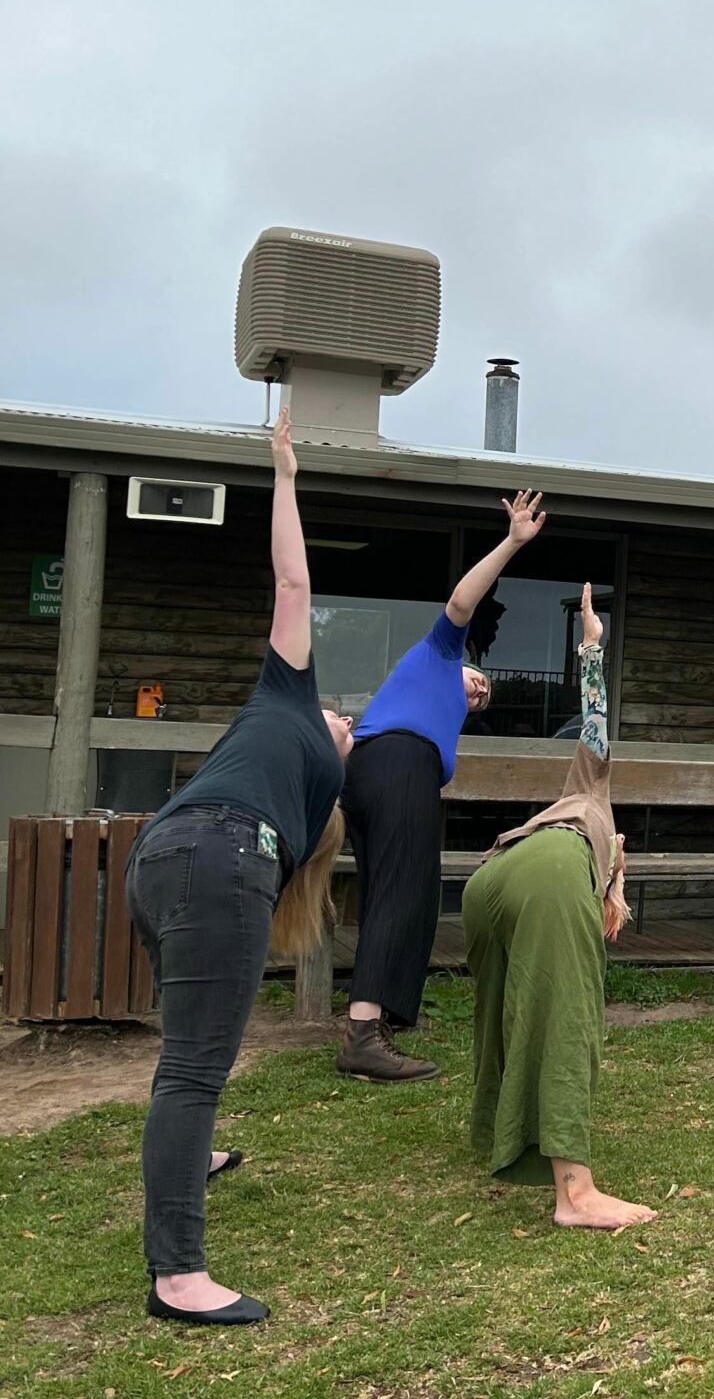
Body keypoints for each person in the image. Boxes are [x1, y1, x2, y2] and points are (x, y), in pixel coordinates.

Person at [126, 405, 353, 1323]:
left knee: (188, 1054)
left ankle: (196, 1150)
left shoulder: (315, 794)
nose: (348, 720)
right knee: (192, 1070)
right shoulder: (286, 691)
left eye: (351, 731)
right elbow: (292, 581)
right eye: (348, 715)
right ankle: (178, 1276)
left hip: (166, 854)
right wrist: (286, 472)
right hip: (215, 854)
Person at [336, 492, 548, 1082]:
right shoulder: (437, 653)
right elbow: (461, 601)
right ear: (465, 663)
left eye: (483, 700)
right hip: (397, 764)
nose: (479, 693)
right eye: (479, 683)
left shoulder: (441, 710)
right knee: (404, 888)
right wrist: (513, 541)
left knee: (404, 889)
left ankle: (386, 1016)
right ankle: (361, 1036)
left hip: (385, 772)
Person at [461, 583, 655, 1227]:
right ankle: (574, 1192)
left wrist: (616, 883)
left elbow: (613, 869)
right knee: (568, 1012)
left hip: (490, 880)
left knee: (507, 1015)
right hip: (548, 870)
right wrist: (592, 648)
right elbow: (596, 720)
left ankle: (498, 1131)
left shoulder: (593, 827)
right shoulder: (591, 784)